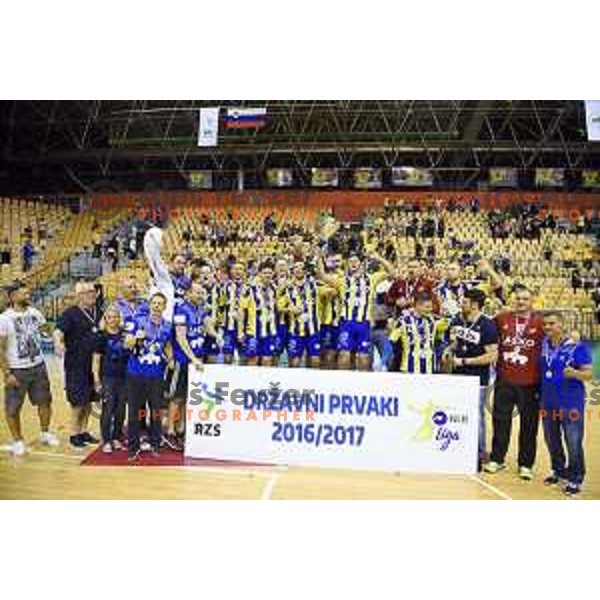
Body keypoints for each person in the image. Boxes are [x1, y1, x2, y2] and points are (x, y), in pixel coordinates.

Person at [485, 286, 545, 479]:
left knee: (529, 426)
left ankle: (526, 464)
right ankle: (497, 459)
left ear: (532, 301)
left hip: (531, 383)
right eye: (518, 298)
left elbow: (558, 335)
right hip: (505, 380)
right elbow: (485, 330)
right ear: (513, 300)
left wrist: (574, 336)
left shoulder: (541, 322)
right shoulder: (501, 318)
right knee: (500, 422)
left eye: (525, 299)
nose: (521, 302)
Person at [0, 282, 59, 456]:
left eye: (28, 292)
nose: (28, 295)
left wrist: (54, 339)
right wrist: (7, 373)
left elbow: (46, 332)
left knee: (45, 401)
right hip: (17, 370)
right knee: (13, 408)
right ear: (12, 297)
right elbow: (1, 349)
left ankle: (45, 433)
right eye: (24, 293)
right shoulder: (4, 319)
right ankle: (18, 441)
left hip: (38, 365)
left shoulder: (36, 313)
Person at [443, 288, 498, 468]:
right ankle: (459, 446)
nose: (461, 304)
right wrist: (449, 350)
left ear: (474, 305)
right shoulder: (457, 320)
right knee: (457, 413)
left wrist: (465, 361)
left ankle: (480, 452)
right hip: (456, 377)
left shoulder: (488, 325)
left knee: (476, 417)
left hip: (477, 379)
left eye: (465, 302)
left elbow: (492, 356)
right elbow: (453, 342)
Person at [540, 312, 592, 496]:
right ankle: (559, 471)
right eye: (545, 324)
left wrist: (575, 374)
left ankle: (576, 478)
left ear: (561, 325)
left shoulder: (576, 347)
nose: (547, 327)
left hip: (571, 404)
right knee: (551, 440)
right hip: (548, 402)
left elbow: (588, 374)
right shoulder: (543, 345)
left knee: (573, 442)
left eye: (552, 323)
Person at [124, 292, 173, 461]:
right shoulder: (138, 320)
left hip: (156, 375)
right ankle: (132, 447)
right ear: (150, 305)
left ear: (165, 307)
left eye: (160, 303)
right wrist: (134, 339)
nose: (157, 306)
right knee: (134, 412)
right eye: (154, 303)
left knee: (156, 412)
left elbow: (167, 345)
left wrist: (171, 359)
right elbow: (126, 342)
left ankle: (155, 443)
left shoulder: (167, 326)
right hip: (135, 374)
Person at [167, 282, 216, 449]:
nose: (201, 296)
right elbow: (181, 338)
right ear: (188, 293)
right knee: (177, 397)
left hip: (197, 361)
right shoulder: (180, 309)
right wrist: (193, 358)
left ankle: (181, 429)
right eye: (197, 292)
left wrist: (217, 335)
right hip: (183, 360)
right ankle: (170, 431)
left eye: (202, 293)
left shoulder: (202, 310)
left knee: (189, 397)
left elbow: (208, 329)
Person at [54, 281, 101, 448]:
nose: (92, 294)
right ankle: (74, 433)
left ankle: (83, 430)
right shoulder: (70, 314)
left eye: (93, 291)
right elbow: (58, 331)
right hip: (76, 365)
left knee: (89, 400)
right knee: (78, 402)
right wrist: (58, 343)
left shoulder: (97, 312)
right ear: (80, 295)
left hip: (94, 366)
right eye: (88, 292)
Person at [92, 305, 130, 453]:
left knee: (121, 409)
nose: (113, 319)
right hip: (108, 378)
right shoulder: (100, 336)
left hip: (124, 378)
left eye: (115, 317)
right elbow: (95, 360)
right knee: (108, 408)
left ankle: (116, 438)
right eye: (110, 317)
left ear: (119, 319)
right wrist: (96, 380)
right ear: (106, 319)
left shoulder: (125, 335)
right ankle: (106, 439)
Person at [389, 292, 447, 374]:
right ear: (417, 306)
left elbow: (446, 326)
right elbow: (393, 340)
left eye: (431, 307)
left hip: (429, 369)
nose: (430, 309)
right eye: (427, 307)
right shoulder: (403, 321)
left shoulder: (434, 321)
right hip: (408, 368)